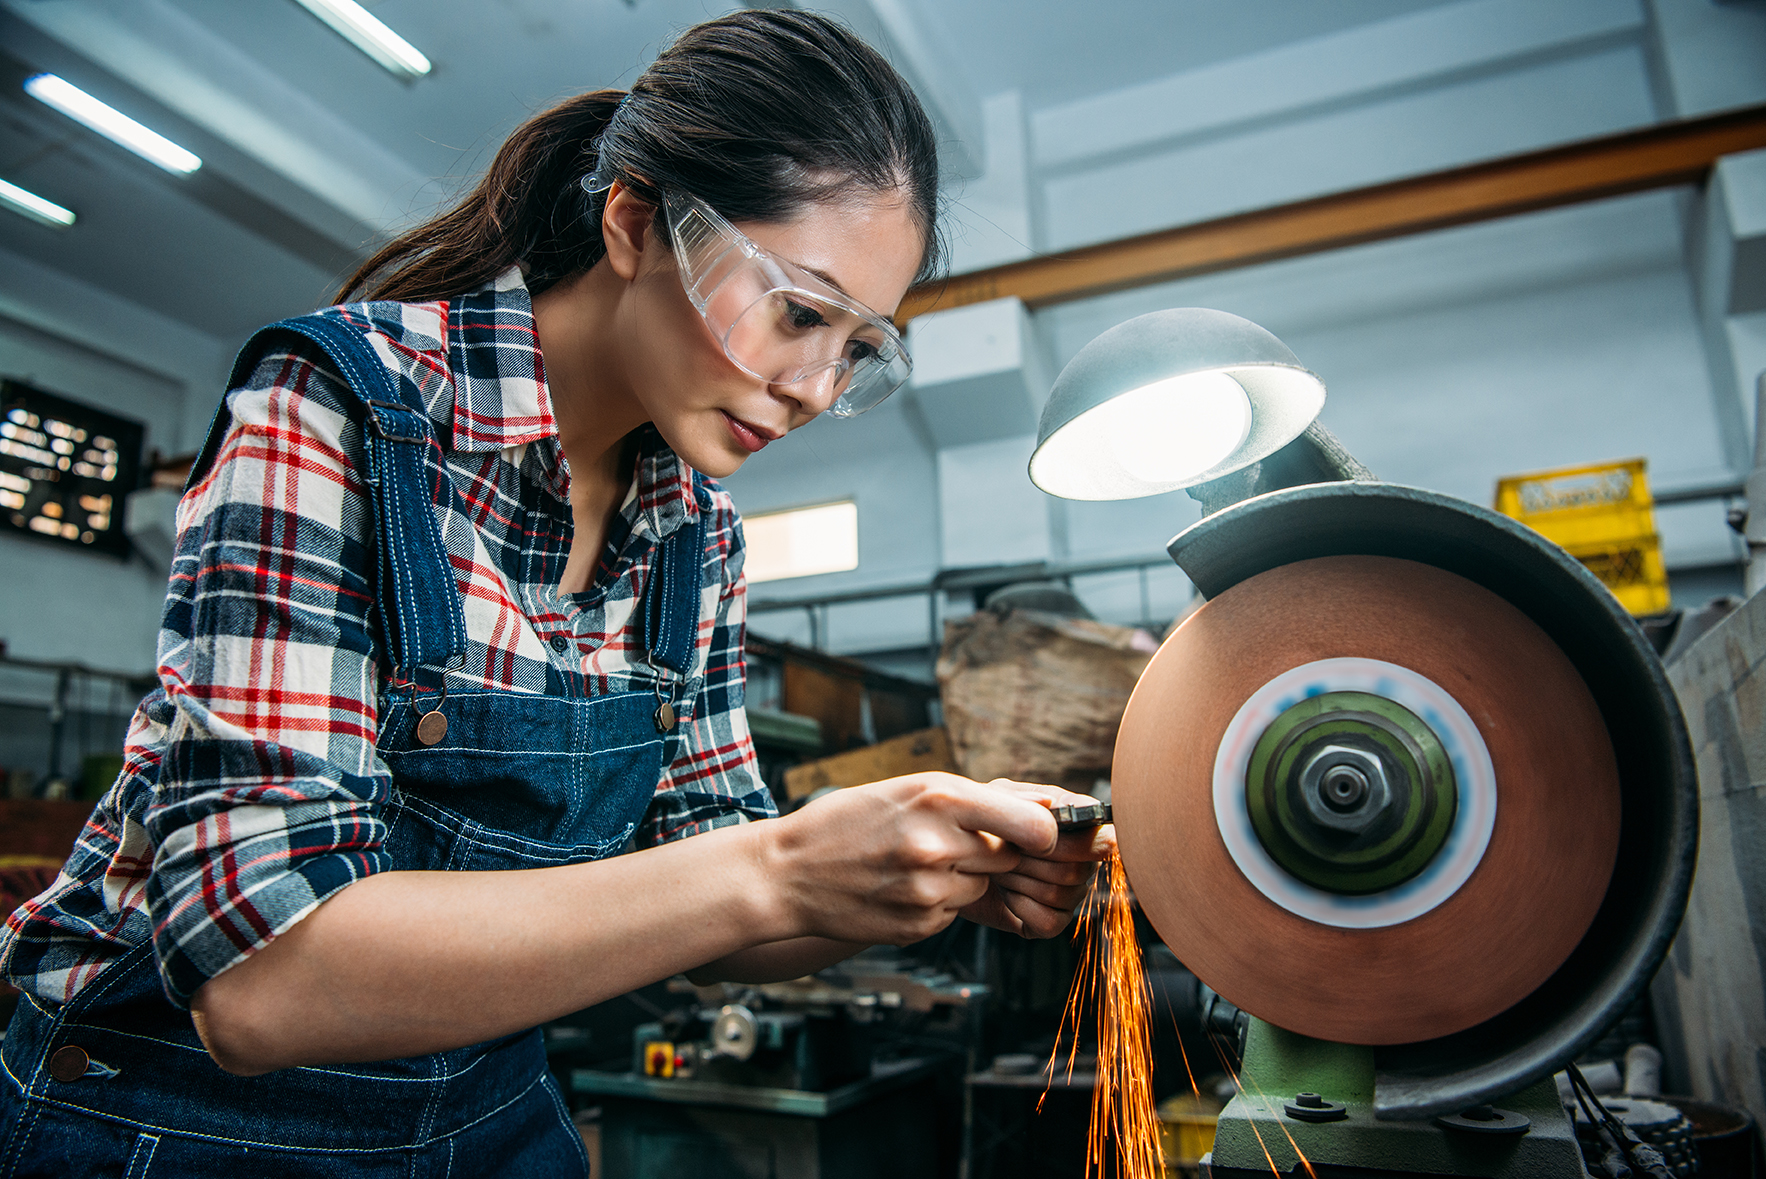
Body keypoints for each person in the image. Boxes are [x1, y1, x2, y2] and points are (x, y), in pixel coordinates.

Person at [0, 10, 1111, 1175]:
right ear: (634, 222)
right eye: (797, 313)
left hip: (480, 1114)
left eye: (855, 349)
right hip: (174, 1122)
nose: (812, 389)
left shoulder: (695, 536)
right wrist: (776, 871)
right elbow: (262, 983)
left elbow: (710, 904)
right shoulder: (339, 411)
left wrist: (910, 874)